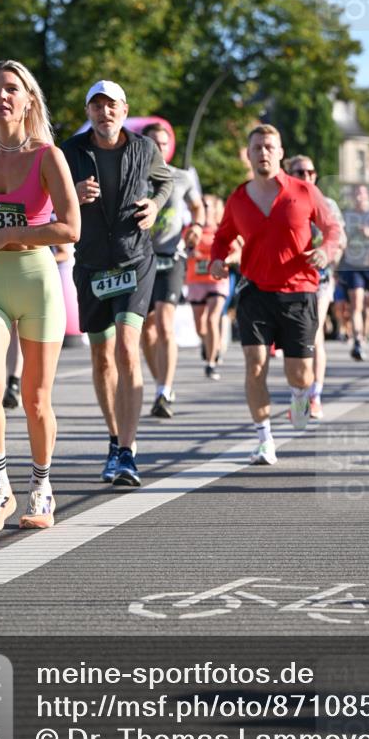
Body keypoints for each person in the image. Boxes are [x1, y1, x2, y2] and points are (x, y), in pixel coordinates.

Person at [0, 60, 80, 532]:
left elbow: (71, 228)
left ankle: (41, 488)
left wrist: (10, 235)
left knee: (36, 398)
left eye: (11, 89)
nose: (2, 96)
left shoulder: (48, 156)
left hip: (37, 281)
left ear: (28, 101)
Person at [63, 80, 173, 487]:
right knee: (102, 358)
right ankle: (114, 439)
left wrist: (155, 206)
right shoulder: (70, 152)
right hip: (91, 264)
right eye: (96, 106)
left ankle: (127, 450)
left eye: (111, 106)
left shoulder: (145, 148)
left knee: (128, 348)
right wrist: (72, 195)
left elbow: (166, 183)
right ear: (88, 111)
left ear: (124, 110)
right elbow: (47, 200)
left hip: (134, 259)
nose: (104, 112)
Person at [210, 125, 341, 465]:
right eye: (257, 147)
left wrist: (326, 250)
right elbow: (223, 237)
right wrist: (215, 261)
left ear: (280, 152)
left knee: (300, 373)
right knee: (255, 365)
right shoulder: (238, 199)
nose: (263, 153)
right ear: (249, 154)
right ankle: (264, 439)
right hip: (255, 292)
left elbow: (332, 229)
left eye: (269, 146)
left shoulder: (305, 191)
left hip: (299, 292)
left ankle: (300, 396)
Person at [140, 121, 205, 418]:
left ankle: (164, 390)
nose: (158, 148)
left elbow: (198, 207)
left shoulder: (181, 177)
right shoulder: (135, 176)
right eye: (153, 143)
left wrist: (198, 227)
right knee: (146, 331)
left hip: (171, 256)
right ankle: (159, 382)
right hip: (140, 258)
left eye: (163, 143)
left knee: (165, 323)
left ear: (170, 146)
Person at [287, 155, 346, 419]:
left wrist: (327, 252)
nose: (307, 177)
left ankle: (315, 397)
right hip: (289, 280)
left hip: (320, 279)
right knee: (295, 340)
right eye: (300, 172)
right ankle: (299, 394)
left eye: (311, 172)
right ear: (290, 174)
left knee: (315, 333)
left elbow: (340, 239)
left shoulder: (327, 204)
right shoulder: (282, 200)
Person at [185, 194, 238, 381]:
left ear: (216, 209)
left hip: (217, 280)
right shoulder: (191, 229)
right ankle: (207, 344)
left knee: (212, 319)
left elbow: (237, 251)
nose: (205, 208)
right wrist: (190, 251)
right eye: (203, 205)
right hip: (195, 281)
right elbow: (183, 247)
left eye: (208, 205)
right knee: (201, 327)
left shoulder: (221, 231)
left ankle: (211, 363)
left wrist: (225, 260)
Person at [338, 184, 369, 360]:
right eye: (355, 193)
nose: (358, 196)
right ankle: (357, 341)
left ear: (367, 196)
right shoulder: (346, 216)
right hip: (352, 263)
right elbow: (339, 235)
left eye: (361, 193)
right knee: (356, 305)